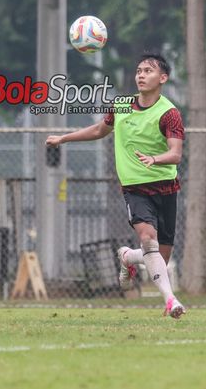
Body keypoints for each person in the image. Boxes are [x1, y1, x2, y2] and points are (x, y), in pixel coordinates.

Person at [45, 53, 186, 319]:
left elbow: (176, 154)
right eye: (138, 70)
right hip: (135, 188)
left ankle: (128, 258)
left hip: (166, 188)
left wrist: (155, 159)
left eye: (148, 71)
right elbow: (100, 130)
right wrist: (64, 138)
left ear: (163, 78)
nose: (141, 75)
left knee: (158, 259)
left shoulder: (169, 113)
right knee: (148, 239)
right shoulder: (121, 105)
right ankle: (171, 301)